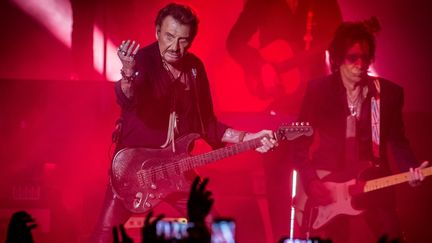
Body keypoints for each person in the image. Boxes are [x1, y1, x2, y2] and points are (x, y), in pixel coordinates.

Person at [91, 3, 277, 242]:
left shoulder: (195, 68)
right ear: (157, 31)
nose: (175, 47)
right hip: (135, 171)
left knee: (219, 232)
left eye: (183, 40)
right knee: (104, 235)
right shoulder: (142, 61)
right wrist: (127, 72)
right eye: (169, 36)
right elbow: (129, 98)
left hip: (177, 168)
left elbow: (207, 124)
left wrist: (247, 137)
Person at [293, 17, 428, 243]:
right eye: (352, 57)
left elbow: (398, 141)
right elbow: (298, 146)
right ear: (337, 59)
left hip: (372, 184)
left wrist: (411, 169)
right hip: (328, 187)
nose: (360, 64)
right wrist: (311, 181)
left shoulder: (388, 94)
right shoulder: (318, 91)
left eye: (365, 58)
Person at [226, 0, 342, 240]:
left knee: (323, 175)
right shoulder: (261, 3)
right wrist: (260, 65)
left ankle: (320, 234)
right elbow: (234, 42)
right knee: (277, 178)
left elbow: (339, 41)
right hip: (277, 103)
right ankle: (281, 236)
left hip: (317, 101)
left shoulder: (324, 4)